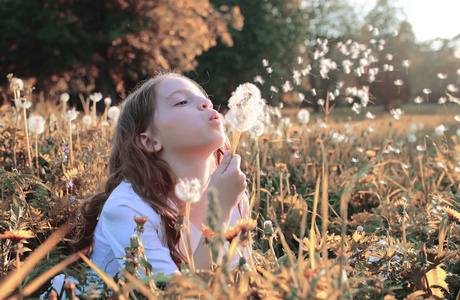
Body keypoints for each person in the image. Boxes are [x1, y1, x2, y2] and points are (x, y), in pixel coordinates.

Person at [70, 72, 249, 279]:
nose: (207, 102)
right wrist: (219, 213)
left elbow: (239, 281)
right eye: (182, 102)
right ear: (149, 141)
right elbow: (177, 295)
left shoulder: (233, 194)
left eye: (203, 97)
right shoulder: (128, 208)